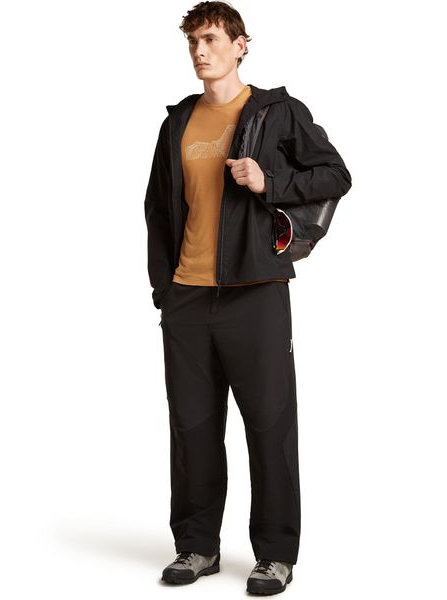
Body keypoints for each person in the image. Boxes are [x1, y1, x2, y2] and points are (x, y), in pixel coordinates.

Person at [144, 1, 352, 595]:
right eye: (193, 42)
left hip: (255, 292)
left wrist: (270, 181)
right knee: (191, 426)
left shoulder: (277, 111)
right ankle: (197, 546)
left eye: (211, 39)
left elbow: (335, 174)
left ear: (240, 45)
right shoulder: (178, 122)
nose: (200, 51)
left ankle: (275, 554)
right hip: (187, 297)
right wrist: (164, 288)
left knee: (269, 426)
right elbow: (157, 208)